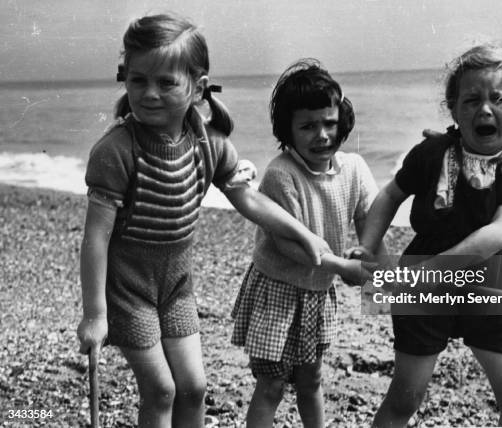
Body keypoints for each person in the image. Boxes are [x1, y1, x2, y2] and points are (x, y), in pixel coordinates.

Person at [76, 15, 330, 428]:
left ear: (197, 85)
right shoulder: (117, 151)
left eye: (165, 82)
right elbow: (96, 237)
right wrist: (94, 315)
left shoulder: (207, 143)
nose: (149, 93)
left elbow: (248, 199)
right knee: (161, 391)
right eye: (137, 80)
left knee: (193, 388)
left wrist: (303, 235)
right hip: (127, 290)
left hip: (177, 286)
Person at [353, 43, 502, 426]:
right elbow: (390, 194)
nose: (484, 109)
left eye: (498, 98)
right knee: (404, 401)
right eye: (471, 100)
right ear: (453, 109)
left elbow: (499, 232)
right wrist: (369, 245)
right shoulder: (432, 152)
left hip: (494, 282)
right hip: (424, 286)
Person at [231, 58, 379, 428]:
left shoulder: (354, 169)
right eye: (308, 126)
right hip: (278, 291)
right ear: (289, 130)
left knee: (311, 379)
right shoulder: (282, 174)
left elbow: (369, 218)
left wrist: (367, 253)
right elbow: (288, 246)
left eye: (329, 123)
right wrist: (342, 267)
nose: (322, 135)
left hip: (316, 293)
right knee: (272, 385)